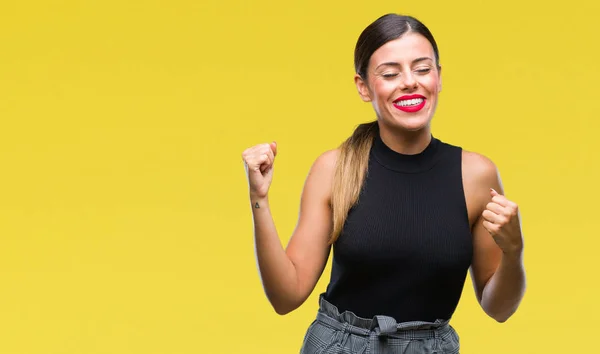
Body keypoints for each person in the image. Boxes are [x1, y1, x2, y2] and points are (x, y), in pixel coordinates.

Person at [241, 13, 526, 354]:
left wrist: (513, 251)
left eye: (422, 69)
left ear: (438, 77)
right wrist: (259, 198)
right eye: (391, 73)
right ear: (363, 87)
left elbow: (499, 309)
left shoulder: (475, 175)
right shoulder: (334, 169)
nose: (410, 82)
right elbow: (286, 296)